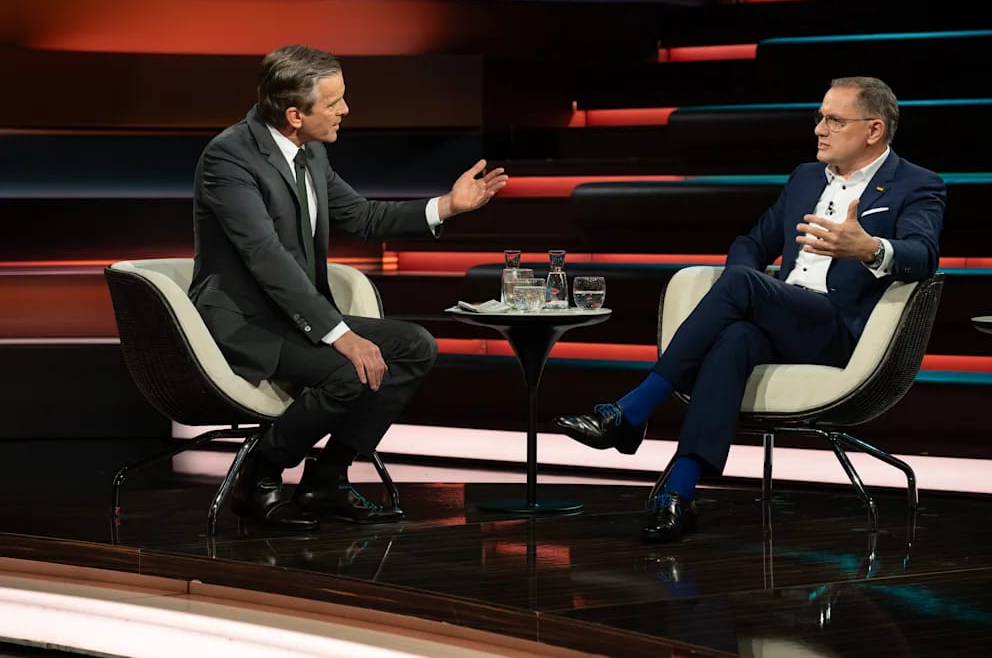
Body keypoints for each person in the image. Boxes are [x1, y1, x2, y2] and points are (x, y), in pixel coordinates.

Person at [553, 76, 945, 543]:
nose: (819, 128)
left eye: (834, 120)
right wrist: (745, 292)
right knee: (734, 337)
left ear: (874, 130)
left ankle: (632, 411)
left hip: (836, 329)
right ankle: (677, 494)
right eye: (819, 117)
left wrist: (869, 248)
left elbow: (924, 254)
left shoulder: (916, 184)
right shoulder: (805, 178)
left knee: (741, 287)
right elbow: (752, 243)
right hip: (781, 316)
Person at [189, 44, 508, 530]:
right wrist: (340, 334)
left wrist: (446, 206)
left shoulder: (311, 152)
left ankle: (327, 480)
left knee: (415, 346)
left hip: (292, 317)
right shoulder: (229, 158)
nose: (345, 110)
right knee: (348, 370)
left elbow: (362, 215)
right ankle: (260, 474)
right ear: (295, 114)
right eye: (334, 102)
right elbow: (265, 257)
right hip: (244, 321)